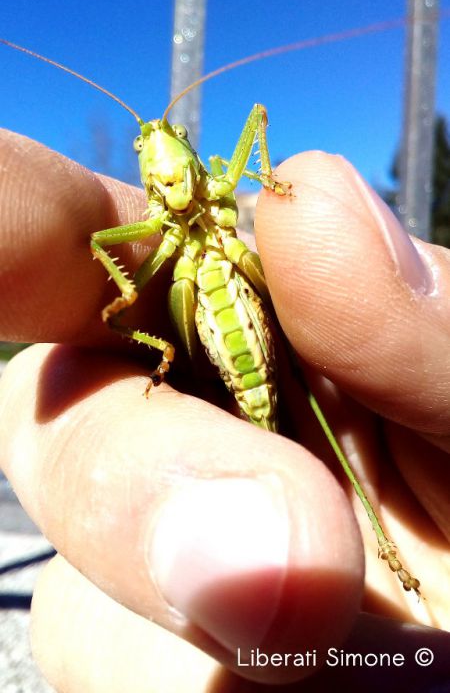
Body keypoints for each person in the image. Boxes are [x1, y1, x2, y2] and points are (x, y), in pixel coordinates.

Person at [0, 129, 449, 692]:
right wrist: (153, 337)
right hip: (189, 294)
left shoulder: (216, 181)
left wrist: (261, 176)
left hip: (239, 272)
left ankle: (384, 540)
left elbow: (254, 120)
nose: (163, 158)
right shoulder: (146, 233)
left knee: (306, 386)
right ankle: (177, 365)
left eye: (173, 142)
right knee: (152, 354)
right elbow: (103, 249)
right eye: (148, 151)